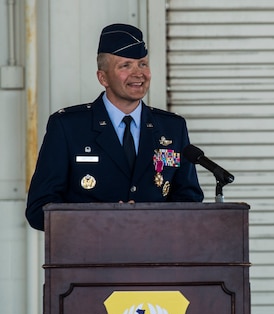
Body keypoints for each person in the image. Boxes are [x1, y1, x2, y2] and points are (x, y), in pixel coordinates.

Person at [26, 23, 204, 231]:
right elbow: (39, 210)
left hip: (156, 255)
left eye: (143, 64)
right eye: (125, 65)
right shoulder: (68, 127)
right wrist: (102, 217)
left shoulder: (172, 127)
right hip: (89, 256)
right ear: (103, 78)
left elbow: (190, 200)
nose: (139, 74)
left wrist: (150, 218)